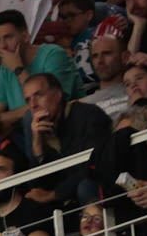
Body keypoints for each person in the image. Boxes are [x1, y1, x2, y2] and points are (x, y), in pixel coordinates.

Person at [22, 73, 111, 206]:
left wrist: (54, 195)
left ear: (58, 95)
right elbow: (38, 187)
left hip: (99, 188)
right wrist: (37, 146)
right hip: (65, 201)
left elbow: (92, 166)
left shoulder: (89, 116)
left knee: (85, 187)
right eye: (28, 100)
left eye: (38, 95)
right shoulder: (37, 132)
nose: (33, 105)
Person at [0, 9, 84, 126]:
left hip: (67, 128)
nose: (3, 46)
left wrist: (18, 69)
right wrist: (20, 114)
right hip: (26, 134)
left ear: (25, 37)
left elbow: (49, 108)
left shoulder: (54, 55)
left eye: (8, 37)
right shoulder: (6, 68)